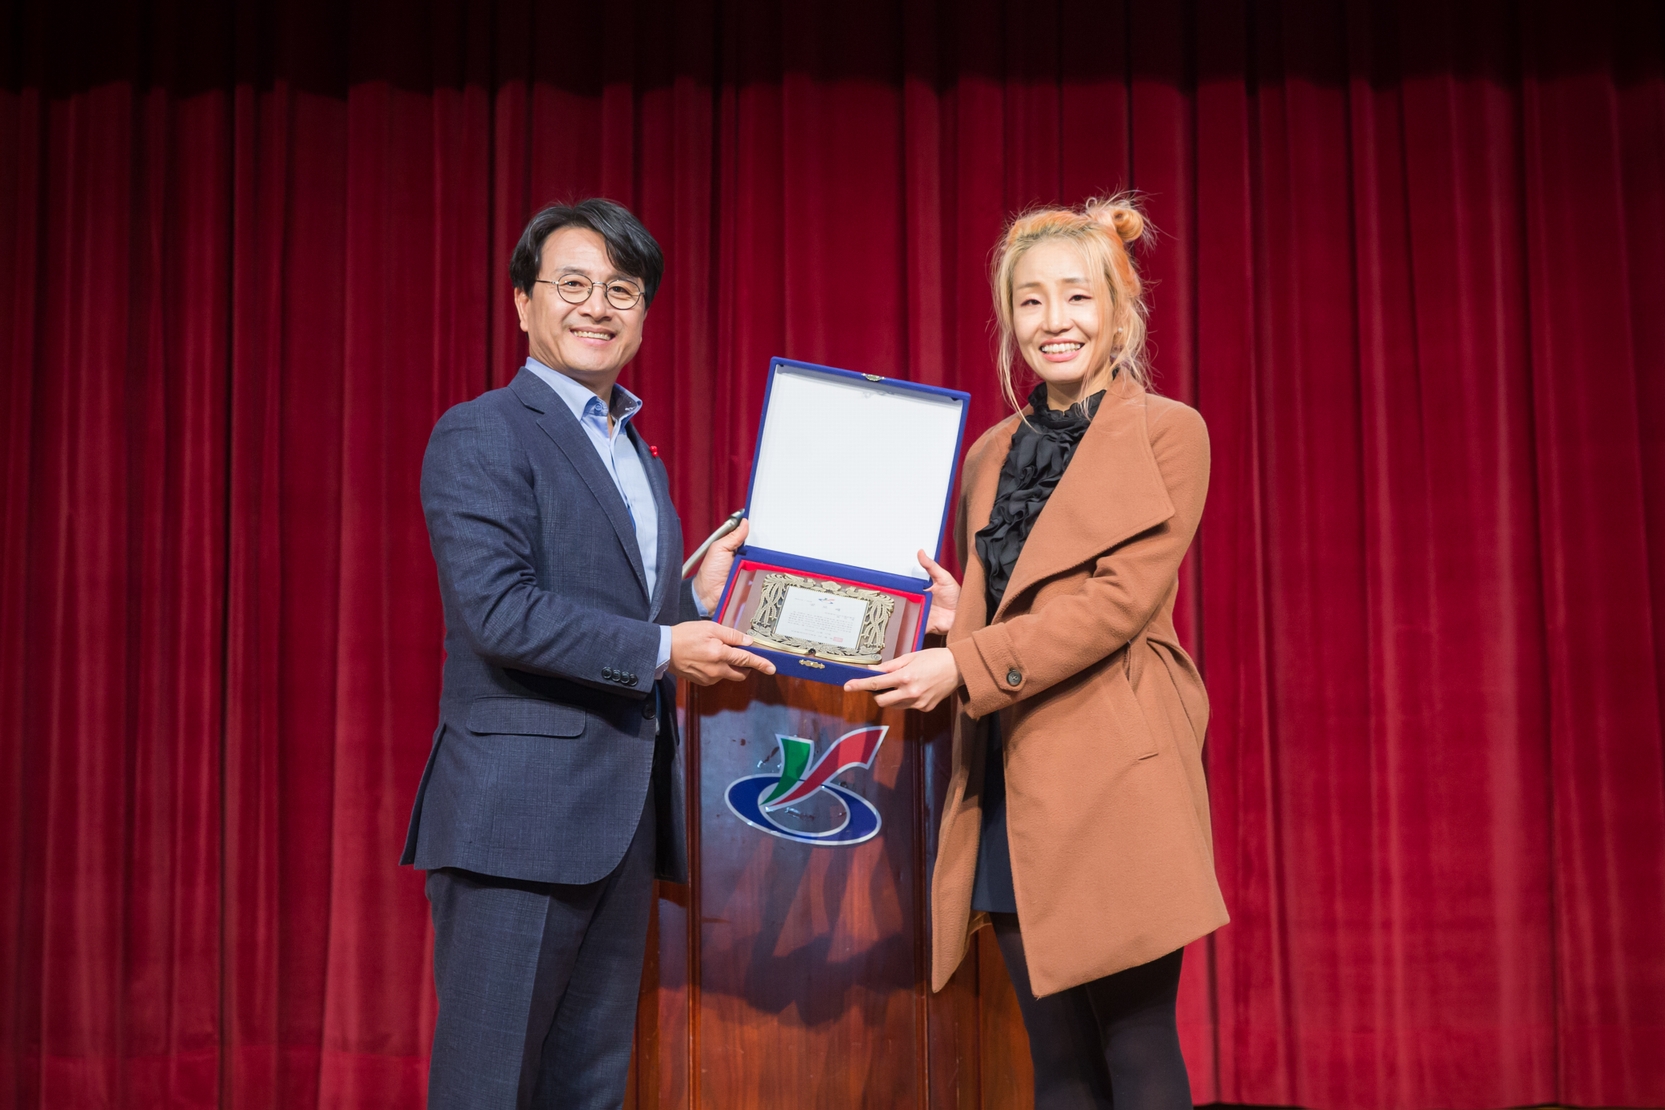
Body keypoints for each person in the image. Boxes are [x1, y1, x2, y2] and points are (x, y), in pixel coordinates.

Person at [846, 197, 1228, 1109]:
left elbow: (1115, 603)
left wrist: (965, 664)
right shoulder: (987, 454)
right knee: (1054, 1060)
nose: (1053, 321)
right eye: (1029, 301)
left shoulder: (1169, 431)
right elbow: (1015, 602)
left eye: (1076, 297)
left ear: (1119, 312)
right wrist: (960, 618)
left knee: (1135, 1044)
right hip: (1012, 777)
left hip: (1116, 770)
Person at [401, 198, 776, 1110]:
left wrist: (693, 599)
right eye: (572, 284)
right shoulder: (484, 429)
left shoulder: (637, 452)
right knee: (488, 1088)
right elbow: (500, 612)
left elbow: (623, 616)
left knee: (590, 1088)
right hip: (517, 822)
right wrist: (666, 642)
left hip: (620, 822)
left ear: (643, 312)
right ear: (522, 302)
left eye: (622, 289)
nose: (597, 307)